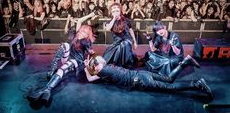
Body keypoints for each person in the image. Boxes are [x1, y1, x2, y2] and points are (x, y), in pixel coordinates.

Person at [84, 56, 213, 98]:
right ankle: (185, 62)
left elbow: (90, 78)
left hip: (140, 81)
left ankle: (197, 84)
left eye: (94, 66)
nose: (95, 68)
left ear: (96, 66)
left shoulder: (103, 70)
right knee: (168, 79)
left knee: (171, 87)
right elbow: (95, 74)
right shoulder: (109, 67)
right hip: (142, 73)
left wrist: (86, 68)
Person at [27, 25, 96, 103]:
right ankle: (51, 71)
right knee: (65, 45)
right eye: (82, 30)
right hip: (68, 58)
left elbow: (91, 53)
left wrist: (87, 62)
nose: (82, 33)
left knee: (61, 70)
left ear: (87, 35)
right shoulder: (76, 37)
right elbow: (76, 24)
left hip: (76, 62)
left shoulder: (85, 41)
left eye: (85, 32)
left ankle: (47, 89)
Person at [103, 3, 138, 68]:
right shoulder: (110, 21)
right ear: (111, 13)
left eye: (117, 11)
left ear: (120, 11)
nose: (115, 13)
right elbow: (108, 28)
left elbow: (131, 31)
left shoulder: (126, 20)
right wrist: (114, 18)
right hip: (117, 42)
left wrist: (135, 42)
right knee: (108, 54)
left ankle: (120, 65)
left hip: (127, 40)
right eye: (113, 11)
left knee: (123, 45)